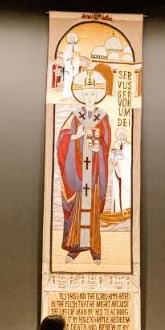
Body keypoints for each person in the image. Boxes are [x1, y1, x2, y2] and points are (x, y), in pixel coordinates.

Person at [56, 69, 111, 264]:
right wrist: (76, 136)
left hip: (94, 171)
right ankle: (74, 248)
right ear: (82, 96)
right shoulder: (75, 116)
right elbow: (62, 139)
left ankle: (95, 249)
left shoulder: (103, 117)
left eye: (92, 94)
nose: (89, 97)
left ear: (97, 96)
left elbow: (106, 143)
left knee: (92, 208)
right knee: (78, 208)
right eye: (86, 94)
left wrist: (99, 147)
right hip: (77, 171)